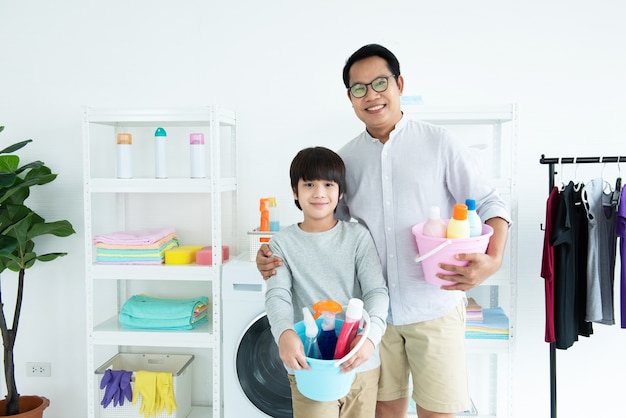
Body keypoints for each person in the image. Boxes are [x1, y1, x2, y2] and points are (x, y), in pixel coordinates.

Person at [257, 44, 511, 418]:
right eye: (359, 88)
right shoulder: (346, 160)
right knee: (385, 410)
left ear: (399, 84)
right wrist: (273, 258)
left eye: (380, 83)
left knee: (438, 412)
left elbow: (490, 203)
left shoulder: (439, 143)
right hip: (374, 320)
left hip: (435, 307)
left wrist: (493, 260)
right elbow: (325, 228)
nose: (371, 95)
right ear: (350, 98)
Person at [265, 146, 389, 418]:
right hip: (310, 368)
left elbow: (376, 291)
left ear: (340, 192)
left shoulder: (358, 237)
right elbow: (277, 296)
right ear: (295, 192)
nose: (319, 192)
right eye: (309, 184)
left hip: (360, 365)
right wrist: (284, 333)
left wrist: (371, 339)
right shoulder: (281, 243)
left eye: (328, 184)